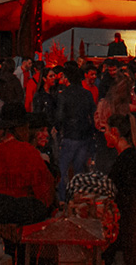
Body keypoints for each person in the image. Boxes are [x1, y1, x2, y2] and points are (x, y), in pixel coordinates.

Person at [101, 114, 136, 265]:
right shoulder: (132, 158)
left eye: (105, 130)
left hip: (128, 235)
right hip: (135, 233)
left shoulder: (126, 161)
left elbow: (125, 200)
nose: (104, 134)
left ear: (114, 132)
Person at [54, 64, 96, 202]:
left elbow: (60, 117)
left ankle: (63, 199)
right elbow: (93, 114)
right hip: (85, 135)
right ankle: (79, 198)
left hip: (69, 135)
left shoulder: (64, 95)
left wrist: (58, 129)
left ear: (67, 78)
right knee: (80, 170)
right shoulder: (87, 94)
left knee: (63, 169)